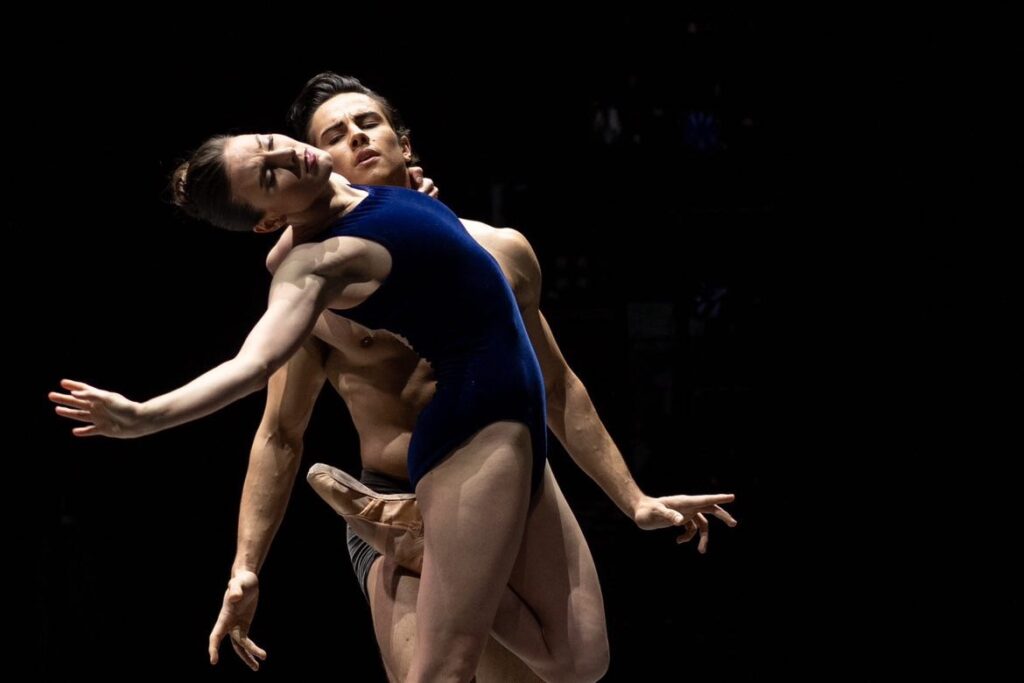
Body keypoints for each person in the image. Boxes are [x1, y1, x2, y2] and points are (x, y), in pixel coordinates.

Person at [201, 74, 738, 680]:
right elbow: (279, 434)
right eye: (335, 135)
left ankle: (425, 547)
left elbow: (557, 386)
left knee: (580, 663)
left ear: (405, 143)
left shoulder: (499, 250)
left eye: (368, 123)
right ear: (320, 165)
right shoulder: (318, 290)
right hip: (396, 491)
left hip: (505, 477)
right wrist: (246, 566)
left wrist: (634, 499)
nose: (355, 137)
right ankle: (405, 541)